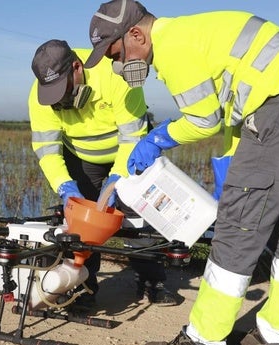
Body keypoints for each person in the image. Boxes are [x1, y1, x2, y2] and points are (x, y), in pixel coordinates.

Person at [85, 0, 279, 345]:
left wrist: (159, 137)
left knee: (236, 228)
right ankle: (278, 337)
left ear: (136, 34)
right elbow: (237, 104)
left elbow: (203, 120)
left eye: (116, 53)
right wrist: (231, 159)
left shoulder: (174, 45)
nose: (117, 65)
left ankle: (204, 342)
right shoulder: (196, 32)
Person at [28, 39, 180, 310]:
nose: (60, 101)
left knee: (140, 215)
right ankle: (83, 285)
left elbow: (132, 136)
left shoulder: (115, 74)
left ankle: (150, 281)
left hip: (129, 152)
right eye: (53, 96)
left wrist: (116, 178)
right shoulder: (41, 95)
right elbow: (46, 148)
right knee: (81, 226)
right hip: (82, 157)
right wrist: (64, 186)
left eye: (63, 91)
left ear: (77, 67)